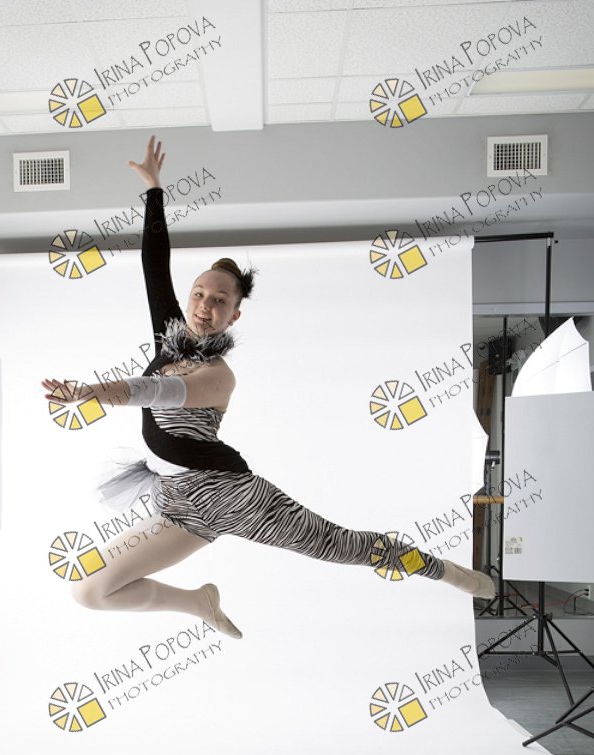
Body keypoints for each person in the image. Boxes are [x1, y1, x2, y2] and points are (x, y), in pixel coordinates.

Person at [42, 135, 495, 640]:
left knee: (342, 545)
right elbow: (154, 266)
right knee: (89, 590)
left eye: (219, 300)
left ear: (234, 315)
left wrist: (90, 392)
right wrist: (154, 190)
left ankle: (442, 570)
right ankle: (197, 602)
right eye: (198, 294)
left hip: (234, 496)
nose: (204, 305)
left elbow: (154, 393)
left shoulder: (218, 376)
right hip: (177, 505)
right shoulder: (169, 340)